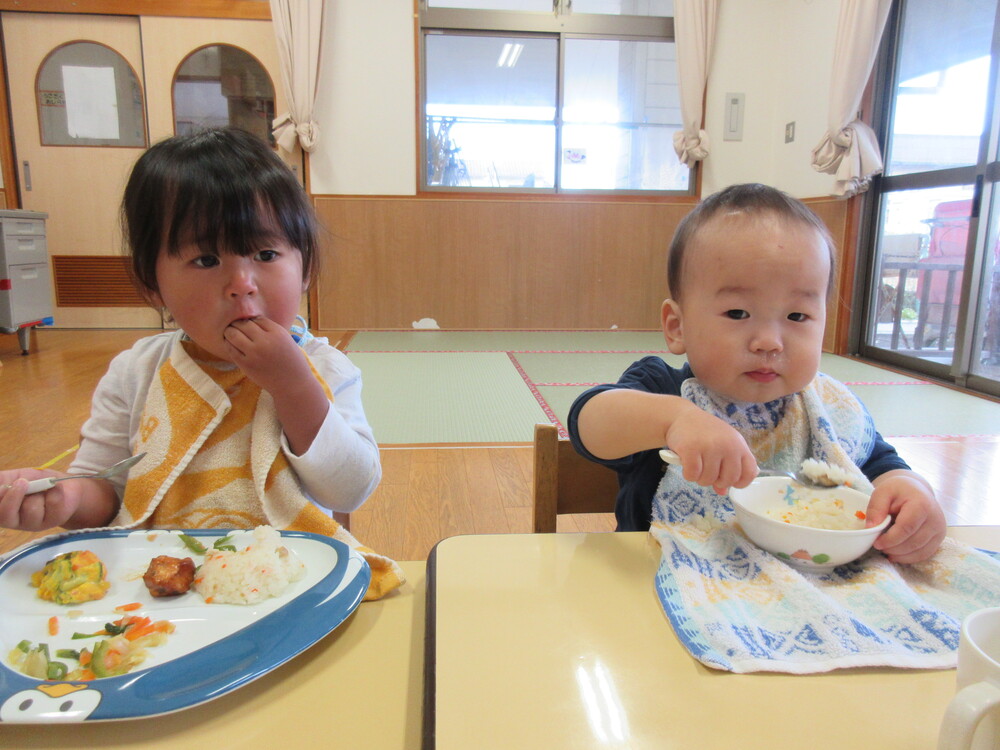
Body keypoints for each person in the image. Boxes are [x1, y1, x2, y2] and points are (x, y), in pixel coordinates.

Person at [0, 129, 402, 595]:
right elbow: (108, 492)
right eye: (206, 259)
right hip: (155, 598)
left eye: (265, 254)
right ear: (154, 285)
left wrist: (293, 385)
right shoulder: (138, 372)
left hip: (287, 587)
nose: (241, 283)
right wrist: (66, 498)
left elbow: (350, 490)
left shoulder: (322, 369)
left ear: (305, 267)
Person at [569, 183, 946, 564]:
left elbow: (880, 466)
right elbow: (588, 424)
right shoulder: (663, 389)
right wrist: (675, 421)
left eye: (797, 316)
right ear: (677, 326)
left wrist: (909, 492)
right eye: (737, 314)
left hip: (799, 594)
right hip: (658, 587)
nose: (769, 342)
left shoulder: (827, 410)